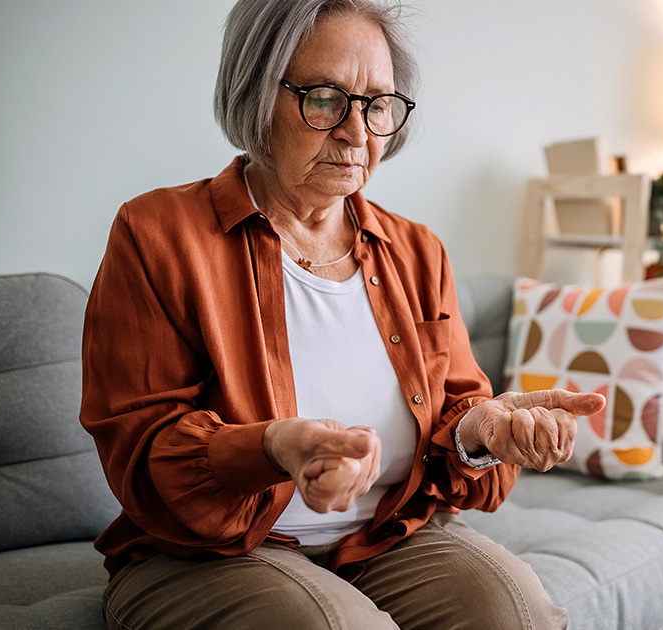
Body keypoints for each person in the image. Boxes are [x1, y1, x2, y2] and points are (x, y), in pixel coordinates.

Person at [79, 1, 605, 628]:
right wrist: (274, 448)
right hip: (205, 553)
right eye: (326, 98)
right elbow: (143, 450)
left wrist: (483, 434)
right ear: (255, 94)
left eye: (377, 104)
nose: (358, 134)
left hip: (385, 537)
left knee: (516, 611)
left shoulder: (417, 251)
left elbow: (456, 418)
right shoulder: (157, 234)